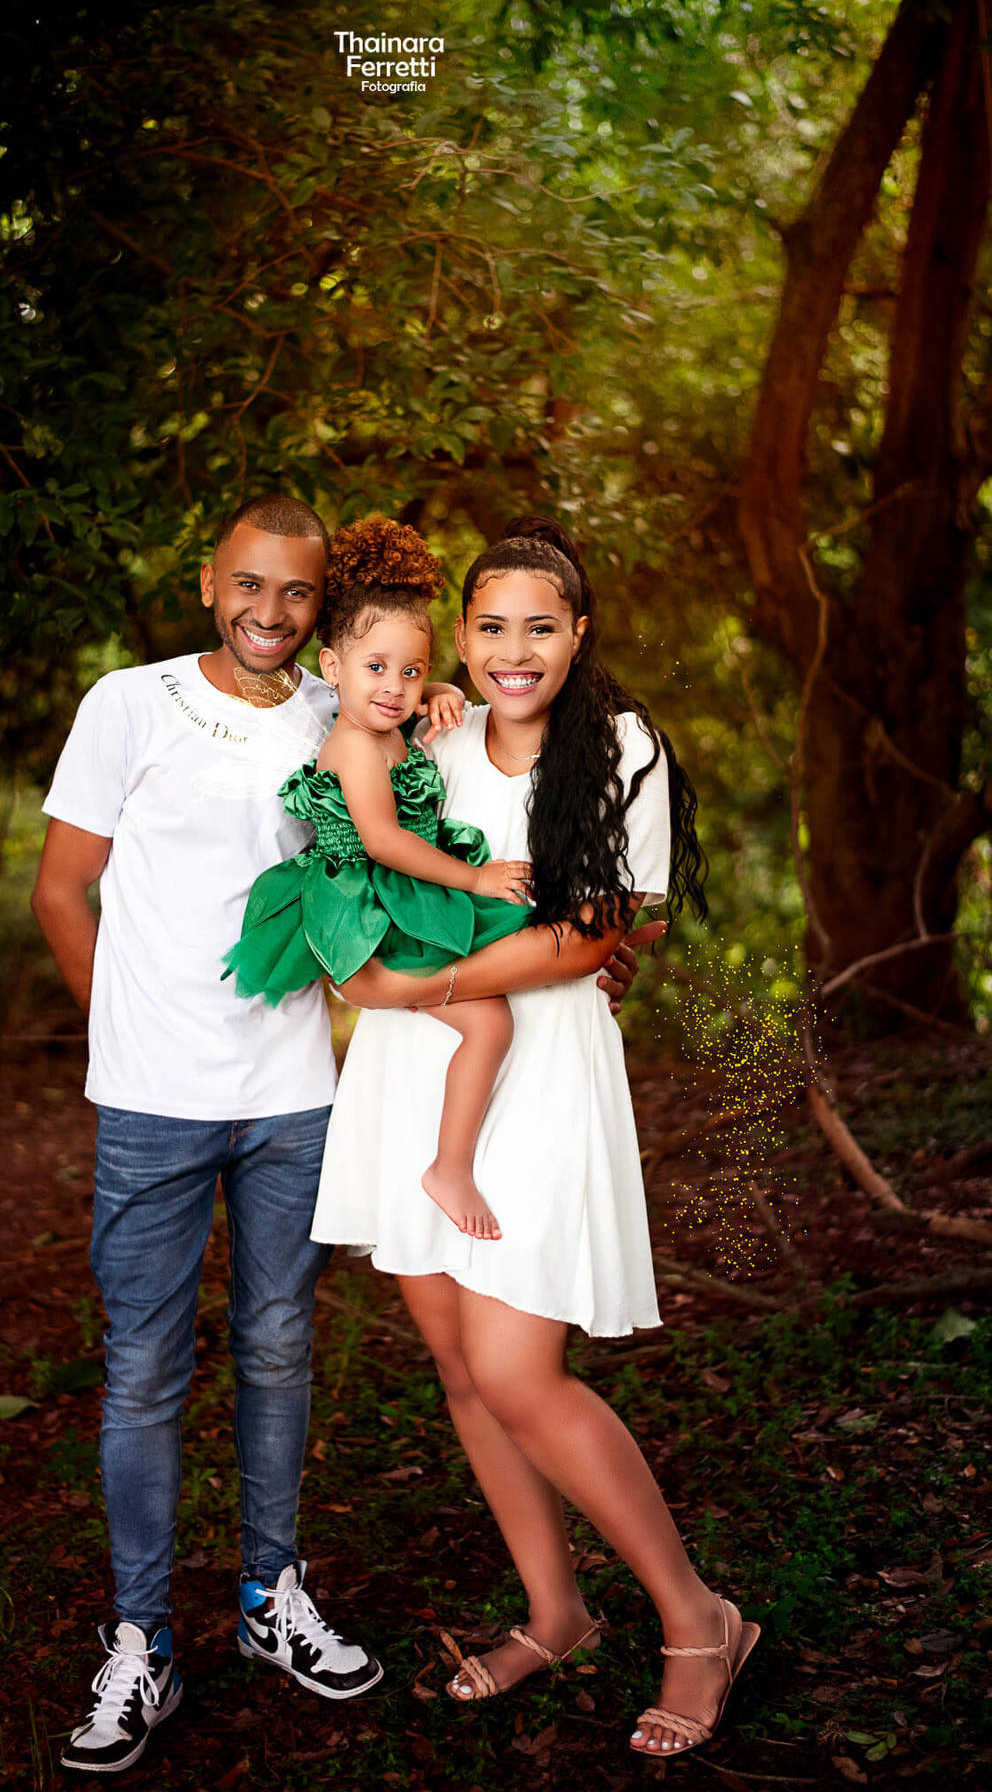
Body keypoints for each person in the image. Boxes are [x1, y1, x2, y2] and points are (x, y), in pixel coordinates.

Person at [312, 521, 761, 1758]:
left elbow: (598, 931)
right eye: (492, 626)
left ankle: (699, 1619)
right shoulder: (429, 734)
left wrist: (427, 985)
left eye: (541, 627)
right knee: (463, 1368)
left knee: (519, 1370)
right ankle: (556, 1610)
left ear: (579, 633)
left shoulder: (620, 747)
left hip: (535, 1066)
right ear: (461, 636)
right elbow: (359, 832)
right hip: (414, 1074)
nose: (516, 650)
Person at [31, 496, 383, 1776]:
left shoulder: (339, 710)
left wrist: (437, 701)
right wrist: (125, 1035)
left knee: (280, 1345)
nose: (269, 611)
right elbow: (61, 887)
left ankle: (270, 1597)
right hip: (152, 1103)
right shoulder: (129, 703)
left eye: (296, 591)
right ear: (207, 582)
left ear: (320, 603)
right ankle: (143, 1638)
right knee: (143, 1368)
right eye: (249, 583)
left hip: (292, 1094)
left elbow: (409, 827)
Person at [225, 517, 536, 1242]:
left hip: (397, 889)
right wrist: (474, 879)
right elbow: (384, 840)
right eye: (376, 669)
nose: (395, 687)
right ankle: (449, 1168)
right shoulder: (355, 745)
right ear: (332, 667)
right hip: (367, 902)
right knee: (491, 1018)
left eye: (412, 671)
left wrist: (443, 691)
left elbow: (404, 695)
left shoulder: (385, 718)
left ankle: (603, 953)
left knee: (511, 970)